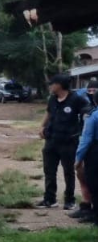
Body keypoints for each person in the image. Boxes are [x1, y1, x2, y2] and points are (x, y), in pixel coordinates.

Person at [40, 75, 89, 209]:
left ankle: (69, 200)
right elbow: (48, 113)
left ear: (59, 85)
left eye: (52, 84)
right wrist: (42, 127)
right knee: (49, 170)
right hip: (52, 140)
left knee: (69, 171)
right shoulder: (52, 99)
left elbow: (87, 113)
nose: (50, 86)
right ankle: (49, 199)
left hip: (68, 141)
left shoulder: (76, 100)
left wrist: (82, 130)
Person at [73, 104, 98, 223]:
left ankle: (95, 216)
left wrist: (78, 158)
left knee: (93, 184)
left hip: (95, 151)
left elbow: (86, 139)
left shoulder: (93, 116)